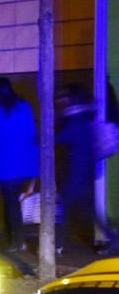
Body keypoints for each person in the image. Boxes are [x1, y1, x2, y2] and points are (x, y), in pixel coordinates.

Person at [0, 76, 39, 252]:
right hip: (25, 163)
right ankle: (12, 237)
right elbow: (33, 132)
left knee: (10, 202)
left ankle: (18, 242)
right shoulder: (25, 107)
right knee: (12, 201)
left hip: (3, 165)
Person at [56, 83, 119, 255]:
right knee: (90, 212)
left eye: (66, 97)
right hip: (85, 172)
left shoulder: (75, 120)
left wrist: (57, 119)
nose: (63, 100)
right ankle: (114, 240)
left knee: (65, 207)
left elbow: (58, 138)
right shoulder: (84, 116)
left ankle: (57, 247)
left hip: (77, 173)